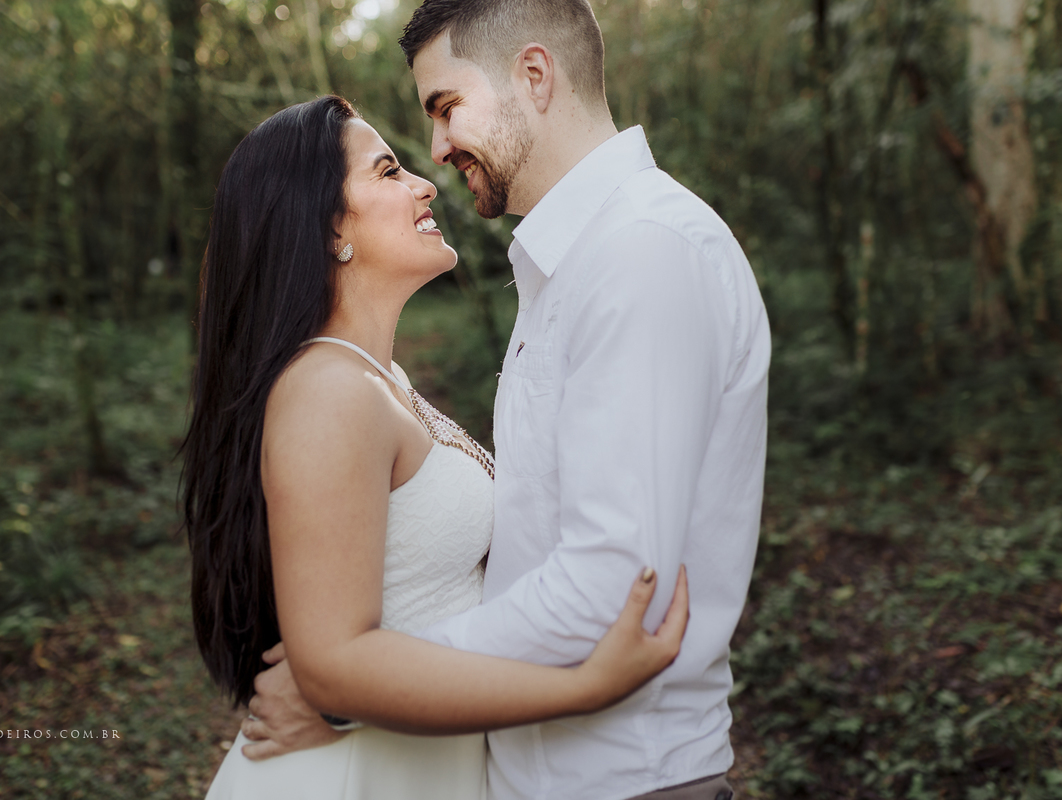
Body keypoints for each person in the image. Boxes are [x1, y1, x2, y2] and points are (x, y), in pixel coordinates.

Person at [241, 2, 771, 799]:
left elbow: (610, 591)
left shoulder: (641, 253)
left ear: (533, 75)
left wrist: (355, 690)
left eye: (446, 106)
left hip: (619, 779)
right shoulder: (572, 264)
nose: (436, 151)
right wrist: (356, 680)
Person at [184, 95, 690, 800]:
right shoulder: (328, 391)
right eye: (388, 171)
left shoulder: (376, 377)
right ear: (330, 227)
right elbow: (332, 669)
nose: (425, 183)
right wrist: (587, 686)